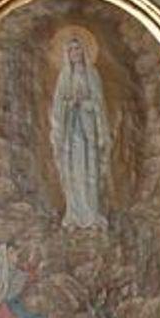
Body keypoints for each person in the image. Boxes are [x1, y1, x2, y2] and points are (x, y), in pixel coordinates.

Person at [48, 25, 108, 232]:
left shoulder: (92, 74)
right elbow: (58, 105)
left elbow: (99, 103)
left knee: (89, 170)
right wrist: (69, 105)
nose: (75, 53)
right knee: (73, 171)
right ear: (67, 53)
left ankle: (91, 214)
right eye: (71, 49)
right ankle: (74, 214)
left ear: (84, 51)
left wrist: (86, 104)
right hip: (70, 132)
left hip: (88, 130)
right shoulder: (64, 76)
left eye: (78, 49)